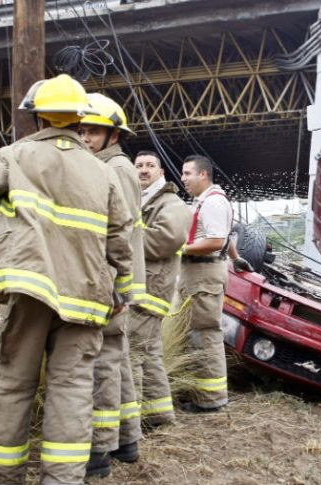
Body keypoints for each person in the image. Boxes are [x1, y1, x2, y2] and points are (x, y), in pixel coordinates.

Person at [0, 74, 134, 485]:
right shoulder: (101, 171)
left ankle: (0, 477)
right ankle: (63, 479)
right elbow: (120, 240)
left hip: (27, 288)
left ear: (38, 118)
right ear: (79, 119)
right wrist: (121, 288)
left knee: (10, 384)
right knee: (72, 391)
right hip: (87, 296)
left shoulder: (12, 157)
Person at [79, 93, 145, 477]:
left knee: (103, 363)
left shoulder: (114, 168)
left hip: (110, 282)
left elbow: (112, 231)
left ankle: (100, 449)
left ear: (112, 135)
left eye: (93, 131)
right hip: (117, 281)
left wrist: (115, 284)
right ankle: (127, 440)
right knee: (116, 360)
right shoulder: (115, 164)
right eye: (82, 130)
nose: (85, 138)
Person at [130, 150, 191, 427]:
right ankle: (159, 416)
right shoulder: (138, 201)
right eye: (139, 165)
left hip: (150, 290)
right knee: (150, 353)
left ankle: (127, 427)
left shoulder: (172, 203)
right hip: (142, 287)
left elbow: (165, 240)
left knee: (130, 352)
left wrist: (122, 237)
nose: (143, 170)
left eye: (150, 165)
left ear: (161, 172)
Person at [178, 155, 233, 412]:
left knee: (205, 334)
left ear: (203, 175)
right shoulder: (207, 201)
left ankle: (210, 399)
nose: (183, 179)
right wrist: (237, 259)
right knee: (198, 333)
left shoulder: (212, 203)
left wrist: (181, 249)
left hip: (204, 274)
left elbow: (215, 241)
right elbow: (227, 239)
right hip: (200, 275)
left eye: (187, 173)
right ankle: (202, 393)